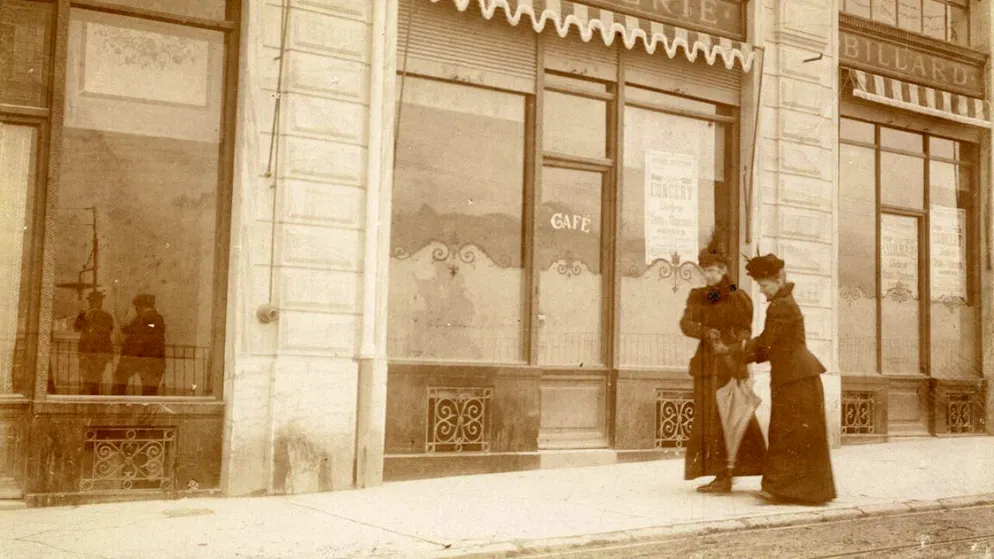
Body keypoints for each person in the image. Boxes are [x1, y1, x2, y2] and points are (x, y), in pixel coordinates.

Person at [718, 253, 836, 505]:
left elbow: (766, 343)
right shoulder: (783, 303)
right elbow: (767, 347)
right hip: (795, 378)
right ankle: (794, 489)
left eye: (764, 285)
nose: (761, 291)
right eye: (760, 285)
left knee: (789, 434)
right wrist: (740, 352)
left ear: (777, 280)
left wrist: (734, 349)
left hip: (797, 380)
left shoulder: (782, 306)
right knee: (792, 435)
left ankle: (787, 489)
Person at [679, 232, 766, 493]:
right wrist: (705, 332)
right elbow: (686, 323)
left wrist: (732, 346)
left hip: (728, 364)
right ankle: (718, 474)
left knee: (730, 418)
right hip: (705, 365)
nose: (710, 275)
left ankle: (727, 474)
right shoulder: (698, 296)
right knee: (709, 420)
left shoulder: (736, 296)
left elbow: (744, 330)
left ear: (725, 270)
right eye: (706, 270)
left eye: (715, 270)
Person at [112, 293, 166, 396]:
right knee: (148, 392)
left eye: (137, 307)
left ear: (142, 306)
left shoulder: (152, 318)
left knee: (122, 381)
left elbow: (147, 329)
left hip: (144, 359)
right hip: (146, 360)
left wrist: (128, 329)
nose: (136, 309)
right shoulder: (144, 318)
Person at [74, 290, 115, 395]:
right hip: (100, 352)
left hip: (87, 351)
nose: (98, 303)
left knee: (89, 378)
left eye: (98, 300)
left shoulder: (84, 315)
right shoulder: (107, 316)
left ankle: (89, 398)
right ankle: (92, 398)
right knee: (95, 378)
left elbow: (76, 328)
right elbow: (110, 330)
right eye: (98, 300)